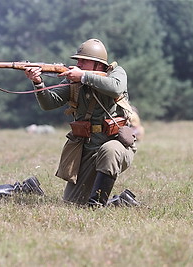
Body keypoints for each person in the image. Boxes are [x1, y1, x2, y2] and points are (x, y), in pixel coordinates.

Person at [25, 38, 139, 207]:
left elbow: (115, 87)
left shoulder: (117, 73)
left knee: (110, 150)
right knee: (73, 204)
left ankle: (97, 207)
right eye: (78, 60)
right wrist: (37, 82)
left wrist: (84, 76)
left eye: (83, 61)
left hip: (116, 145)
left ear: (98, 65)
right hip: (87, 149)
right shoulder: (74, 82)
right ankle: (119, 202)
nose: (78, 64)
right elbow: (49, 103)